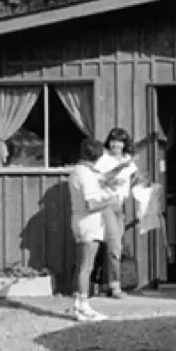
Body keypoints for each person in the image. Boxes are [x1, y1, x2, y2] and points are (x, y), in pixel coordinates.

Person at [69, 138, 120, 322]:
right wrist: (110, 201)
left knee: (82, 264)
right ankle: (83, 306)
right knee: (86, 266)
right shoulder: (86, 175)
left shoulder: (78, 171)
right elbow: (91, 204)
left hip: (80, 221)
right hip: (89, 222)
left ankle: (78, 303)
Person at [94, 127, 139, 299]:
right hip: (106, 206)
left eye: (120, 141)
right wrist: (120, 170)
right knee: (111, 247)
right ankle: (113, 287)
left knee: (114, 247)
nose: (116, 144)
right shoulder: (103, 160)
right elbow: (101, 180)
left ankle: (108, 284)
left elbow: (133, 178)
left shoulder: (128, 160)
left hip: (120, 206)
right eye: (113, 140)